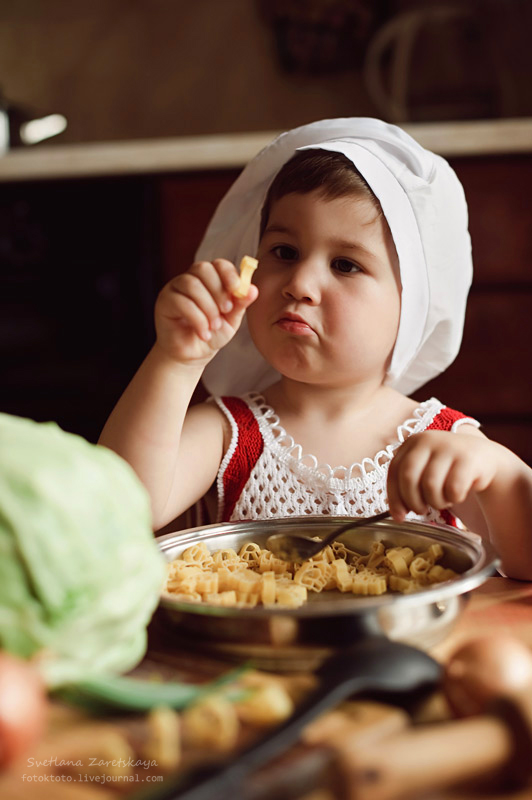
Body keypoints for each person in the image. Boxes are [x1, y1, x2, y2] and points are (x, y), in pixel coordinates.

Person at [99, 118, 532, 581]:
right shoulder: (231, 434)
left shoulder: (444, 444)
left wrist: (500, 473)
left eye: (345, 264)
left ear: (413, 306)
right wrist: (176, 361)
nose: (300, 283)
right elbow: (118, 510)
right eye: (284, 252)